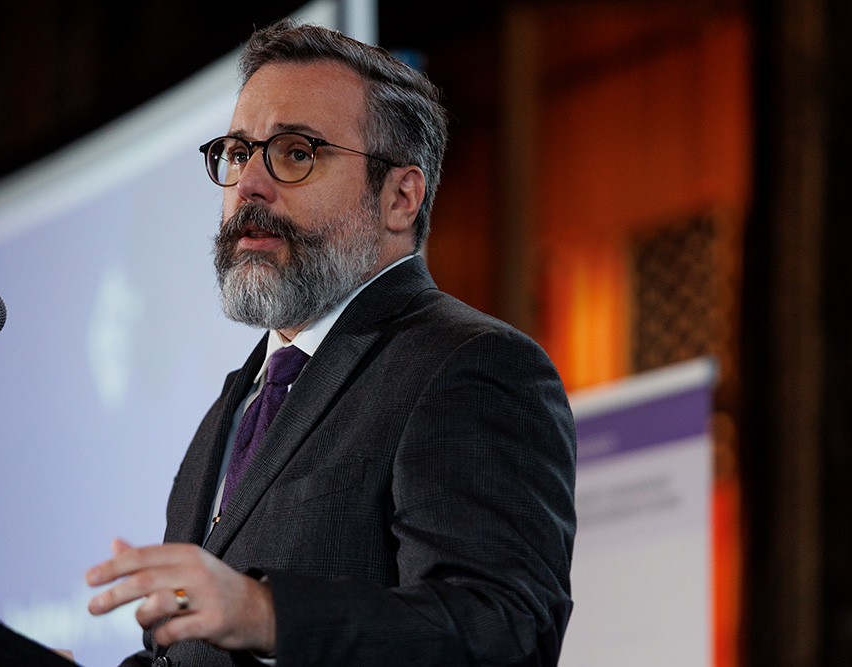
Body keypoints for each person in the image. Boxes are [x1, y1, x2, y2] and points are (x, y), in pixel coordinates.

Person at [86, 18, 576, 667]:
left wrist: (265, 611)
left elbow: (504, 631)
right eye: (237, 152)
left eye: (295, 152)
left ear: (401, 197)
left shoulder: (472, 366)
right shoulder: (232, 407)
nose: (249, 185)